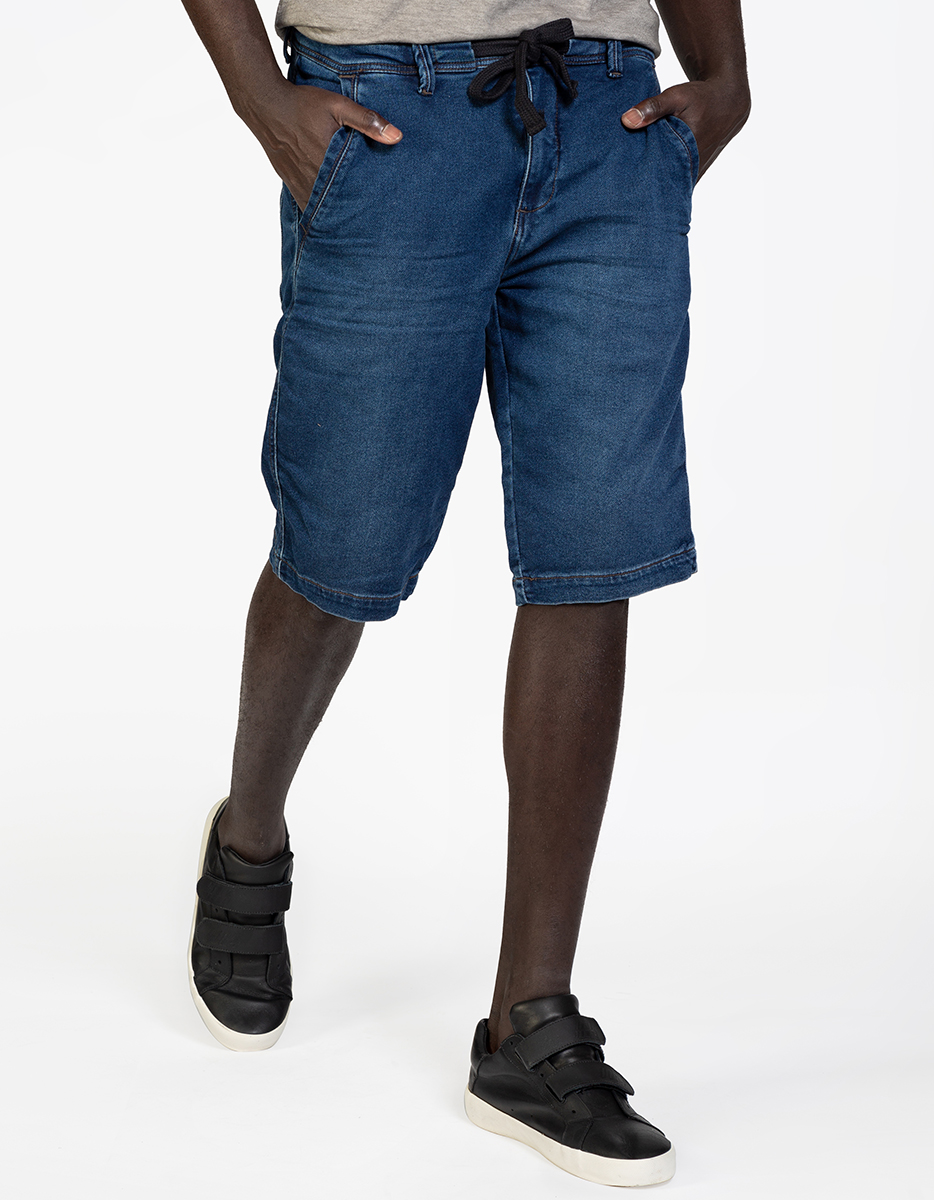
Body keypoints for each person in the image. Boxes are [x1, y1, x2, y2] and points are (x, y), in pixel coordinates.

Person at [179, 0, 749, 1186]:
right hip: (387, 120)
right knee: (344, 549)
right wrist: (256, 93)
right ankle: (249, 839)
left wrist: (727, 71)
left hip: (608, 110)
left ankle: (529, 1020)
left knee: (591, 556)